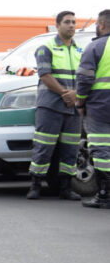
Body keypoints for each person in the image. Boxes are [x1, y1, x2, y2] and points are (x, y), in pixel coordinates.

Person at [26, 11, 82, 200]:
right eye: (67, 22)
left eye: (74, 22)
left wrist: (76, 95)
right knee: (43, 147)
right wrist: (65, 94)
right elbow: (45, 75)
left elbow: (83, 77)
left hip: (73, 108)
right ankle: (35, 186)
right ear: (57, 25)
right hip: (50, 106)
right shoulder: (46, 48)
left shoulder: (79, 50)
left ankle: (66, 188)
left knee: (70, 149)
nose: (72, 25)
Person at [76, 9, 110, 209]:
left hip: (101, 106)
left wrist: (80, 102)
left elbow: (85, 78)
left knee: (102, 151)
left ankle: (105, 194)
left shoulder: (96, 46)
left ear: (102, 25)